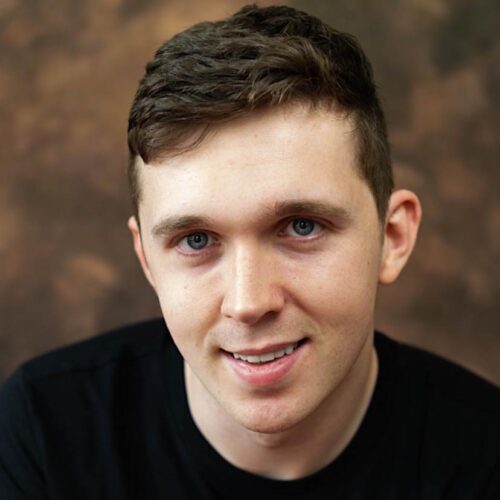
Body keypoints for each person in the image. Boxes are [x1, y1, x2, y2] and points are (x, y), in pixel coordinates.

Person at [1, 4, 499, 499]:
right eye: (196, 240)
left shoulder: (483, 460)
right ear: (147, 259)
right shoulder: (43, 435)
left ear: (392, 238)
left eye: (301, 227)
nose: (247, 302)